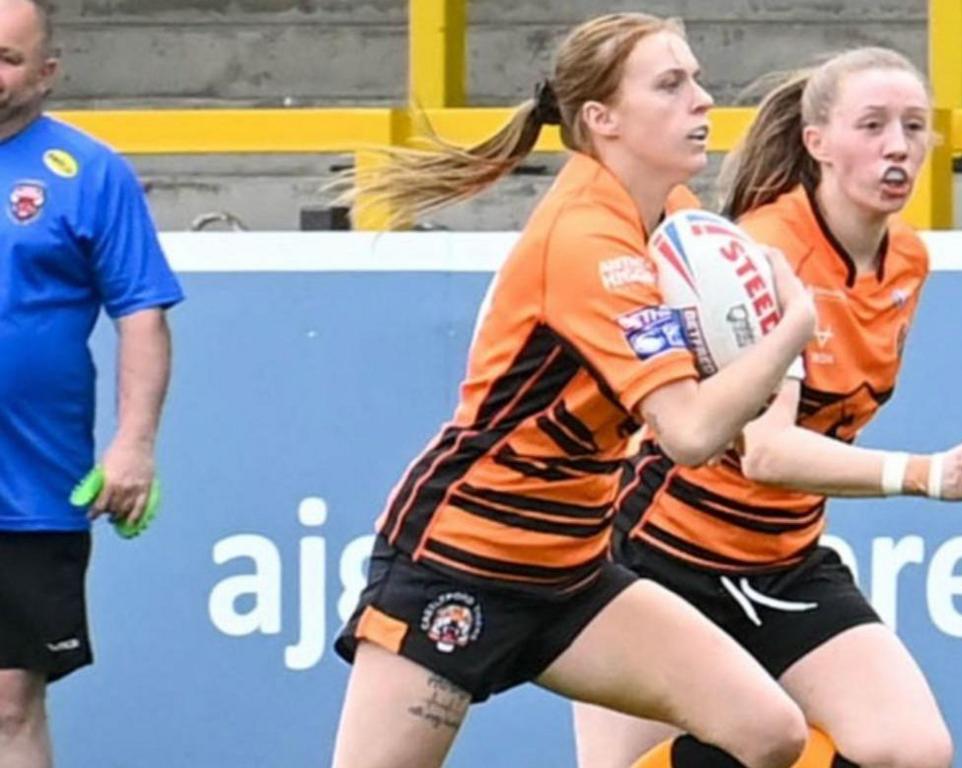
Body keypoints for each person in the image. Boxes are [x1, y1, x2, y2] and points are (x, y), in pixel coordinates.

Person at [330, 12, 821, 768]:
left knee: (770, 733)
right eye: (670, 84)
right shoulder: (588, 239)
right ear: (602, 120)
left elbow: (722, 404)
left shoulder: (679, 222)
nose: (703, 99)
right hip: (460, 558)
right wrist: (791, 331)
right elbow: (690, 434)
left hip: (570, 568)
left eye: (695, 78)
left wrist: (765, 364)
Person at [573, 47, 962, 768]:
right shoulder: (763, 254)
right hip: (660, 558)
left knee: (911, 751)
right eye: (873, 125)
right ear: (816, 141)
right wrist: (926, 474)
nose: (898, 146)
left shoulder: (907, 260)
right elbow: (768, 451)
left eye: (915, 127)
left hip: (782, 560)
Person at [0, 1, 183, 765]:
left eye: (7, 58)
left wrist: (133, 445)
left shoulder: (89, 172)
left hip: (30, 483)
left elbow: (140, 312)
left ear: (47, 74)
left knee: (9, 702)